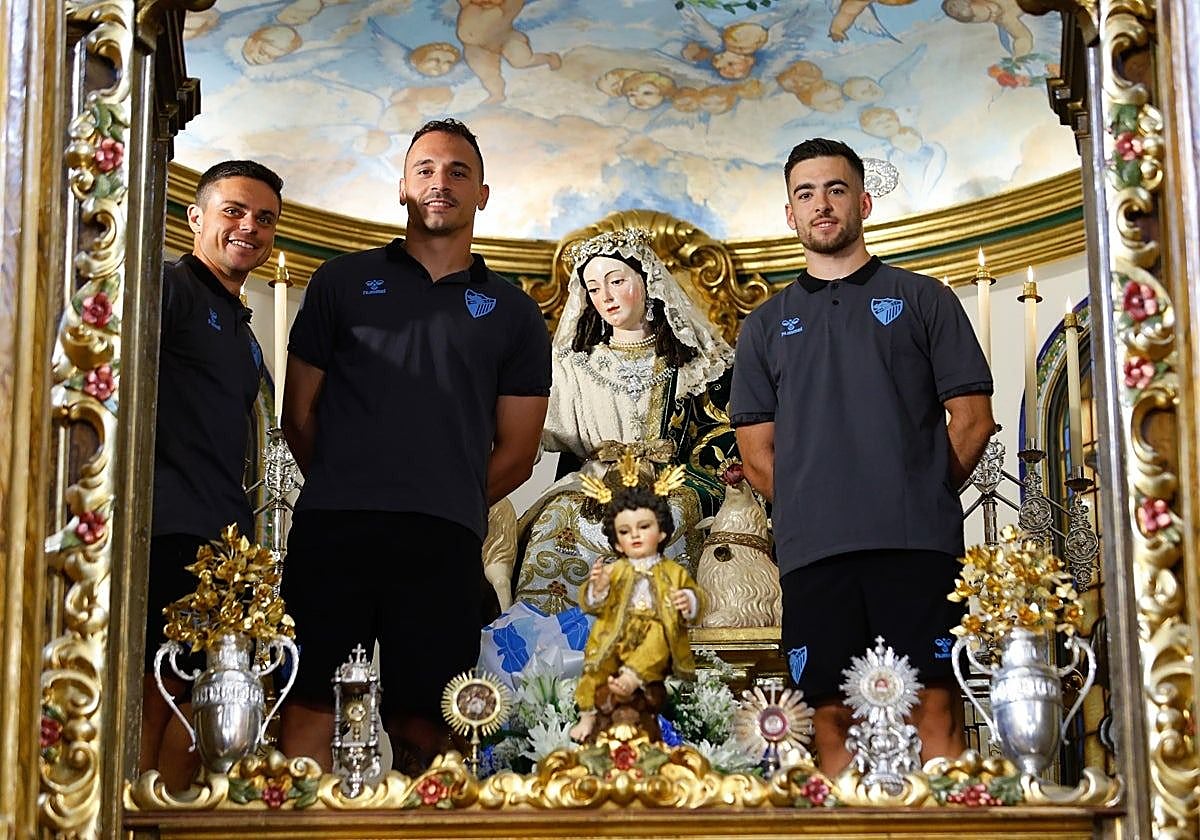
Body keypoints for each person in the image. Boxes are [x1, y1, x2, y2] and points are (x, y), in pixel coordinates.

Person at [278, 118, 551, 773]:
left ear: (483, 193)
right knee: (310, 702)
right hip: (333, 530)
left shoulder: (513, 312)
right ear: (402, 187)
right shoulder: (340, 282)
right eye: (425, 169)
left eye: (458, 171)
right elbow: (297, 414)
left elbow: (518, 450)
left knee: (429, 721)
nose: (441, 182)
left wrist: (443, 492)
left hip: (443, 540)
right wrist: (353, 482)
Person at [730, 138, 995, 775]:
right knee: (828, 720)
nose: (821, 204)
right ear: (789, 214)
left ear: (865, 202)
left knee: (933, 710)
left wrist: (921, 491)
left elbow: (974, 420)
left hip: (918, 548)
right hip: (814, 555)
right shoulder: (764, 326)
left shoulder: (924, 298)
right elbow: (757, 452)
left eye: (836, 189)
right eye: (805, 193)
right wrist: (813, 510)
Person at [141, 160, 283, 789]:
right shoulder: (166, 287)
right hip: (166, 524)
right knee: (158, 685)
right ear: (195, 216)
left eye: (265, 218)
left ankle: (175, 814)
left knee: (210, 696)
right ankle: (136, 812)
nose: (249, 226)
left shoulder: (244, 330)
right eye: (234, 210)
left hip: (227, 543)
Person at [512, 226, 736, 615]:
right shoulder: (574, 367)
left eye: (616, 281)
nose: (606, 297)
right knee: (558, 517)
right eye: (594, 288)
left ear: (647, 282)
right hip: (596, 482)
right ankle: (553, 640)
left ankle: (673, 635)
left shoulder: (690, 364)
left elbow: (716, 439)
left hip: (666, 481)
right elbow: (535, 434)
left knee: (676, 513)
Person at [569, 483, 704, 742]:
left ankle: (633, 676)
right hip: (616, 636)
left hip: (653, 636)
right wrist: (598, 589)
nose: (635, 536)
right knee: (594, 671)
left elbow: (695, 596)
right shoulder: (614, 570)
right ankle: (587, 716)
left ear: (662, 532)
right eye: (625, 531)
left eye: (644, 527)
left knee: (658, 635)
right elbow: (591, 604)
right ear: (618, 544)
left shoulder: (672, 572)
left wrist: (688, 601)